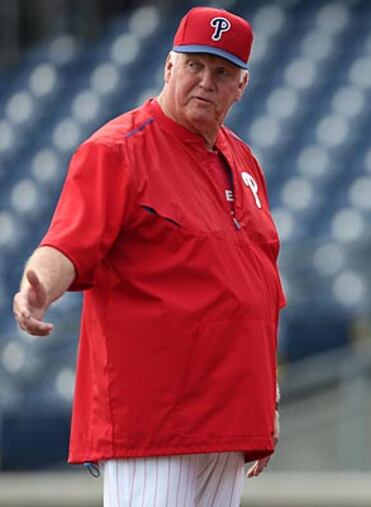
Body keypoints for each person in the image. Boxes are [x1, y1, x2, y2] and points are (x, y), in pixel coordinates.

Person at [12, 6, 285, 505]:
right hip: (156, 421)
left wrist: (266, 399)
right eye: (194, 66)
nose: (206, 81)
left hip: (227, 419)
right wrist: (38, 288)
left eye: (222, 72)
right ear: (169, 67)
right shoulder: (118, 150)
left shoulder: (243, 160)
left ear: (241, 86)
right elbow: (68, 242)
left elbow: (262, 288)